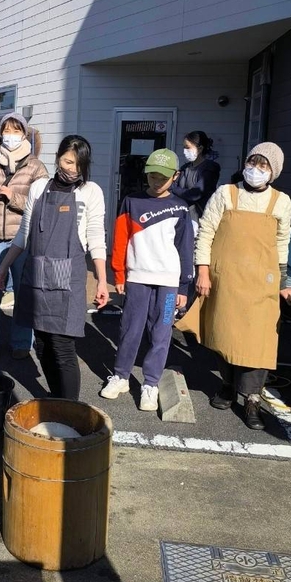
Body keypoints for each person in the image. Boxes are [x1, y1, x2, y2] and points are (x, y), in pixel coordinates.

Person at [194, 142, 291, 431]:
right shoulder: (226, 193)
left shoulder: (281, 202)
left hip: (262, 282)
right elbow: (206, 232)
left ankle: (253, 399)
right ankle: (228, 385)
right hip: (226, 279)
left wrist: (282, 281)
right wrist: (203, 271)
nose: (255, 169)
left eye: (263, 165)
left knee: (259, 340)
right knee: (225, 333)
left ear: (273, 172)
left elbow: (282, 242)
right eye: (252, 162)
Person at [0, 135, 109, 399]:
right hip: (37, 274)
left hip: (68, 278)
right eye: (67, 161)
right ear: (57, 158)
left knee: (62, 346)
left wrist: (102, 280)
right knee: (43, 344)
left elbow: (96, 238)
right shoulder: (38, 188)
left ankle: (70, 408)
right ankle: (56, 399)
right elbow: (24, 233)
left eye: (77, 164)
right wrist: (3, 266)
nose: (71, 168)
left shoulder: (90, 191)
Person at [101, 149, 193, 411]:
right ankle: (121, 376)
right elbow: (120, 239)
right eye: (152, 176)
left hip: (168, 281)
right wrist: (119, 273)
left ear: (175, 176)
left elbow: (185, 248)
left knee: (161, 332)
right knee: (130, 328)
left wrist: (184, 286)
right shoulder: (131, 201)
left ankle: (150, 383)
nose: (156, 181)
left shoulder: (181, 207)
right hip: (137, 277)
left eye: (163, 177)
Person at [0, 112, 48, 359]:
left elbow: (42, 205)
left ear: (24, 134)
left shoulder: (36, 166)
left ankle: (21, 342)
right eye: (7, 130)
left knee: (22, 291)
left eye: (16, 130)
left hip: (23, 238)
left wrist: (13, 198)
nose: (11, 135)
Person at [170, 130, 221, 224]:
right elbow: (172, 186)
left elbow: (195, 194)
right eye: (184, 147)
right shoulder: (184, 168)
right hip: (181, 216)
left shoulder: (210, 168)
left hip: (200, 219)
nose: (184, 151)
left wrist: (174, 189)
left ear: (200, 148)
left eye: (188, 147)